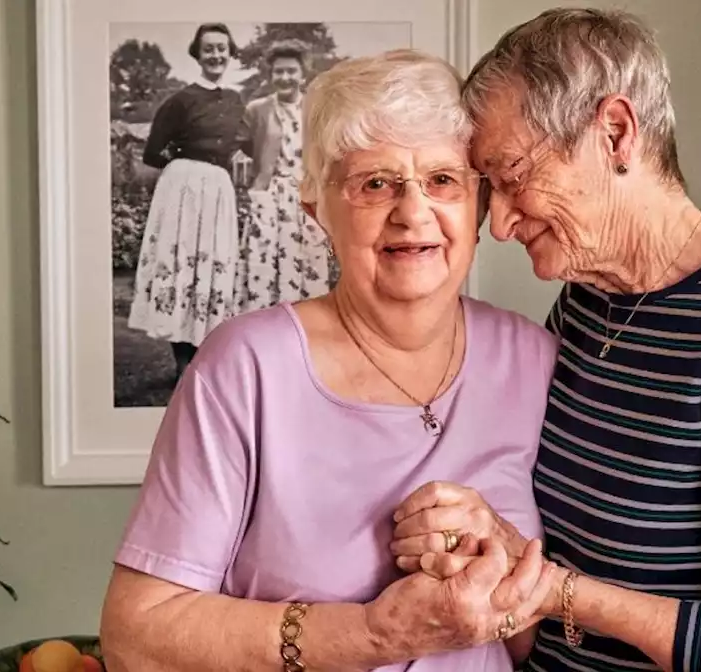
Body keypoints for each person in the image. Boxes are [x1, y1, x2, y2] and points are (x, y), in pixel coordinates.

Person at [391, 8, 701, 672]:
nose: (500, 224)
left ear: (615, 133)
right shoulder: (592, 299)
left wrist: (555, 592)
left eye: (511, 178)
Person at [100, 49, 563, 671]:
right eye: (375, 183)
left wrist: (494, 556)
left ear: (478, 207)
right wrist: (376, 633)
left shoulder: (534, 360)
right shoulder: (246, 367)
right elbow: (137, 637)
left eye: (443, 180)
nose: (413, 211)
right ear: (319, 210)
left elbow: (538, 641)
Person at [127, 23, 251, 382]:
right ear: (198, 54)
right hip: (183, 188)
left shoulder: (234, 101)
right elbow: (152, 153)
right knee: (181, 266)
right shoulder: (180, 100)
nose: (215, 55)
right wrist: (185, 169)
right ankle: (182, 361)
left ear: (230, 54)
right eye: (208, 48)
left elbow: (247, 144)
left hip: (219, 189)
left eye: (222, 49)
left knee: (212, 267)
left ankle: (205, 357)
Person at [239, 39, 335, 312]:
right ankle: (263, 339)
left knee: (308, 270)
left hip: (306, 201)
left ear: (303, 74)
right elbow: (246, 145)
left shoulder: (317, 111)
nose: (284, 77)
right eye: (278, 71)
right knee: (263, 271)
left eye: (291, 71)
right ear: (270, 75)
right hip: (269, 197)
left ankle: (303, 339)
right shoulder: (257, 109)